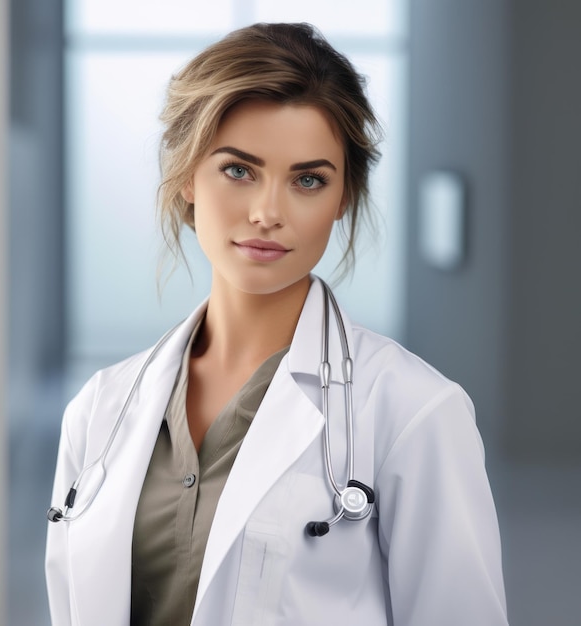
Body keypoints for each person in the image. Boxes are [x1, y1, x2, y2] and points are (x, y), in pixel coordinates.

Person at [45, 22, 508, 626]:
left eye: (308, 180)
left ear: (342, 198)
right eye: (239, 170)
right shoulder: (100, 411)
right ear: (187, 175)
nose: (268, 213)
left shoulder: (413, 413)